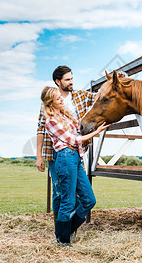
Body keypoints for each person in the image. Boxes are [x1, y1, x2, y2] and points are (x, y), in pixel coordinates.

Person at [41, 86, 110, 246]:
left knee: (89, 200)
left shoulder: (66, 116)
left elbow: (80, 130)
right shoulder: (51, 121)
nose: (62, 99)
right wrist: (95, 133)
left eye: (61, 97)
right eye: (58, 99)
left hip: (75, 158)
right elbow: (73, 140)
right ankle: (63, 240)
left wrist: (97, 125)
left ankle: (61, 233)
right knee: (68, 201)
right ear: (51, 103)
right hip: (65, 158)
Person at [36, 66, 95, 224]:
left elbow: (101, 97)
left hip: (77, 151)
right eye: (67, 79)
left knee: (76, 192)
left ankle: (69, 229)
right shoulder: (47, 104)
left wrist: (119, 79)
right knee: (59, 192)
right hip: (55, 152)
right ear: (58, 81)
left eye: (72, 78)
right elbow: (40, 130)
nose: (71, 82)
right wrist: (39, 156)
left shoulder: (81, 96)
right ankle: (60, 228)